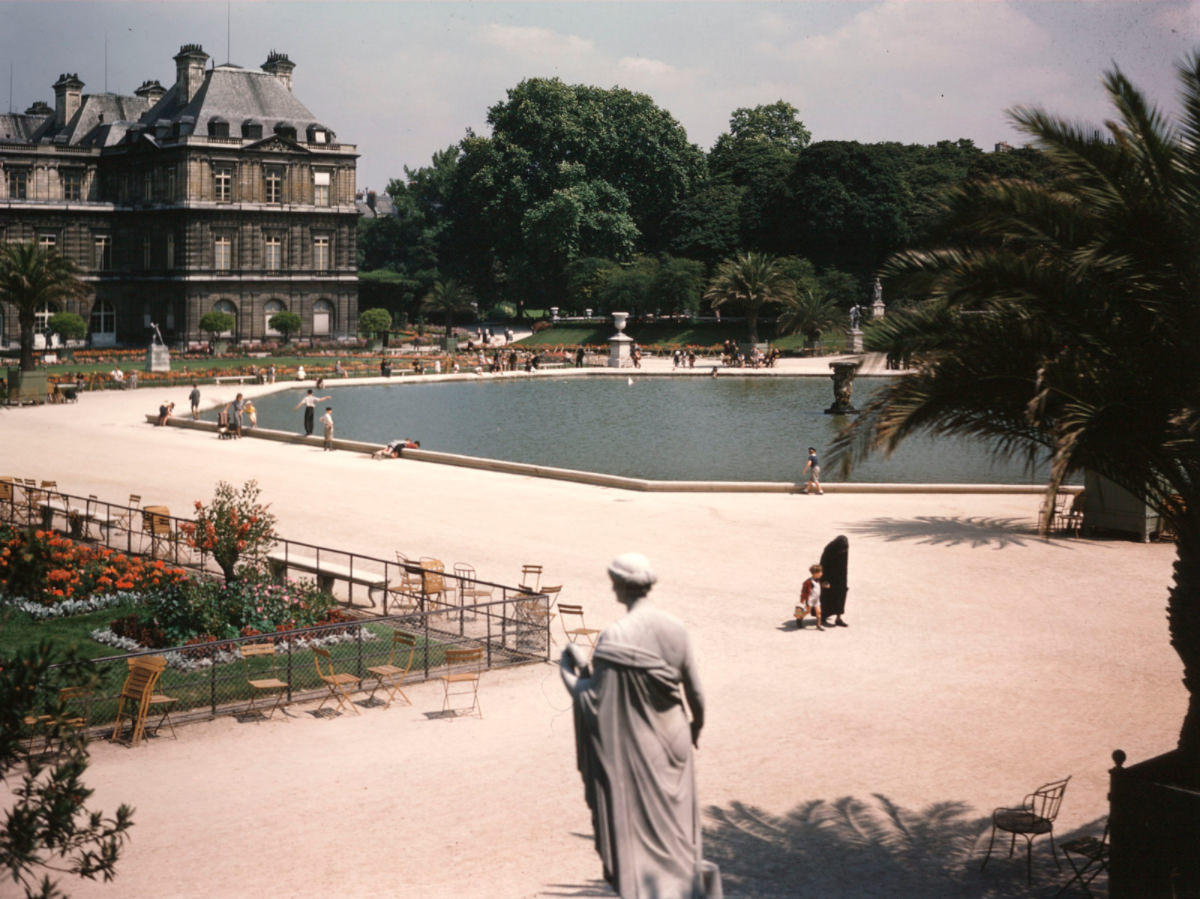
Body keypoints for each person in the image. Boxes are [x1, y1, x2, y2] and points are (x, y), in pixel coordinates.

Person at [560, 553, 722, 899]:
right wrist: (697, 728)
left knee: (641, 829)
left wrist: (566, 668)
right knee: (679, 827)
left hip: (640, 745)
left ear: (619, 586)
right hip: (676, 737)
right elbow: (696, 693)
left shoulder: (615, 637)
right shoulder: (675, 628)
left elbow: (592, 699)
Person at [819, 535, 850, 627]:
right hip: (828, 577)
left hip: (840, 578)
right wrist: (823, 579)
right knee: (826, 596)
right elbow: (823, 564)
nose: (843, 551)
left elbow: (844, 566)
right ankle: (823, 615)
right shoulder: (829, 550)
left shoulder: (843, 550)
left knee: (841, 596)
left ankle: (838, 618)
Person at [796, 563, 825, 631]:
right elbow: (804, 592)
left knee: (819, 612)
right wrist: (802, 600)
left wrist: (824, 586)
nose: (822, 573)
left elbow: (818, 587)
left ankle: (818, 625)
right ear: (815, 573)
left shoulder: (819, 580)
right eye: (820, 572)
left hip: (816, 599)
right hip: (810, 600)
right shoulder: (808, 582)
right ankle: (799, 618)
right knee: (807, 611)